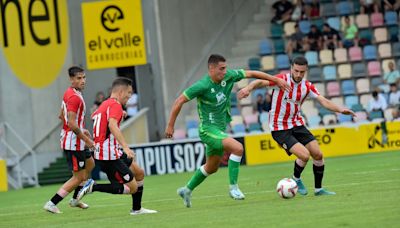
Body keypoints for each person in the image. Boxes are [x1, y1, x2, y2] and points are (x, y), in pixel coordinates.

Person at [165, 54, 291, 208]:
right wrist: (171, 125)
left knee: (211, 167)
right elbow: (179, 101)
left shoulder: (229, 76)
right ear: (211, 69)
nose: (225, 71)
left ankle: (186, 189)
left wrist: (276, 79)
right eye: (221, 68)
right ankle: (233, 188)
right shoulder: (202, 85)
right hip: (207, 130)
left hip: (219, 129)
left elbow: (252, 73)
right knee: (238, 148)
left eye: (225, 68)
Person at [238, 56, 355, 196]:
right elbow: (259, 82)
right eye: (296, 71)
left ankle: (318, 189)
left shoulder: (307, 86)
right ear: (291, 68)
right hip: (279, 127)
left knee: (318, 154)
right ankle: (296, 179)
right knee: (305, 155)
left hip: (297, 123)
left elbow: (323, 101)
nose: (298, 75)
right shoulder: (281, 80)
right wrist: (248, 88)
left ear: (306, 71)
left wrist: (340, 110)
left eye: (302, 72)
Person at [77, 77, 157, 215]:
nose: (130, 96)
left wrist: (120, 114)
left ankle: (137, 209)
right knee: (131, 188)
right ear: (120, 91)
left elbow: (95, 116)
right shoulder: (115, 106)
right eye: (129, 92)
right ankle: (94, 186)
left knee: (139, 172)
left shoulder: (106, 104)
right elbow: (112, 125)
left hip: (110, 151)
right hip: (108, 155)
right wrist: (126, 147)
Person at [43, 66, 96, 214]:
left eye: (84, 77)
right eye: (79, 78)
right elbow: (71, 123)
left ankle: (75, 199)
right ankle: (52, 203)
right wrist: (87, 139)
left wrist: (79, 127)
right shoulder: (74, 97)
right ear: (71, 79)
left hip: (75, 139)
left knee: (90, 164)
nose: (83, 81)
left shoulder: (71, 93)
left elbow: (62, 116)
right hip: (73, 143)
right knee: (78, 177)